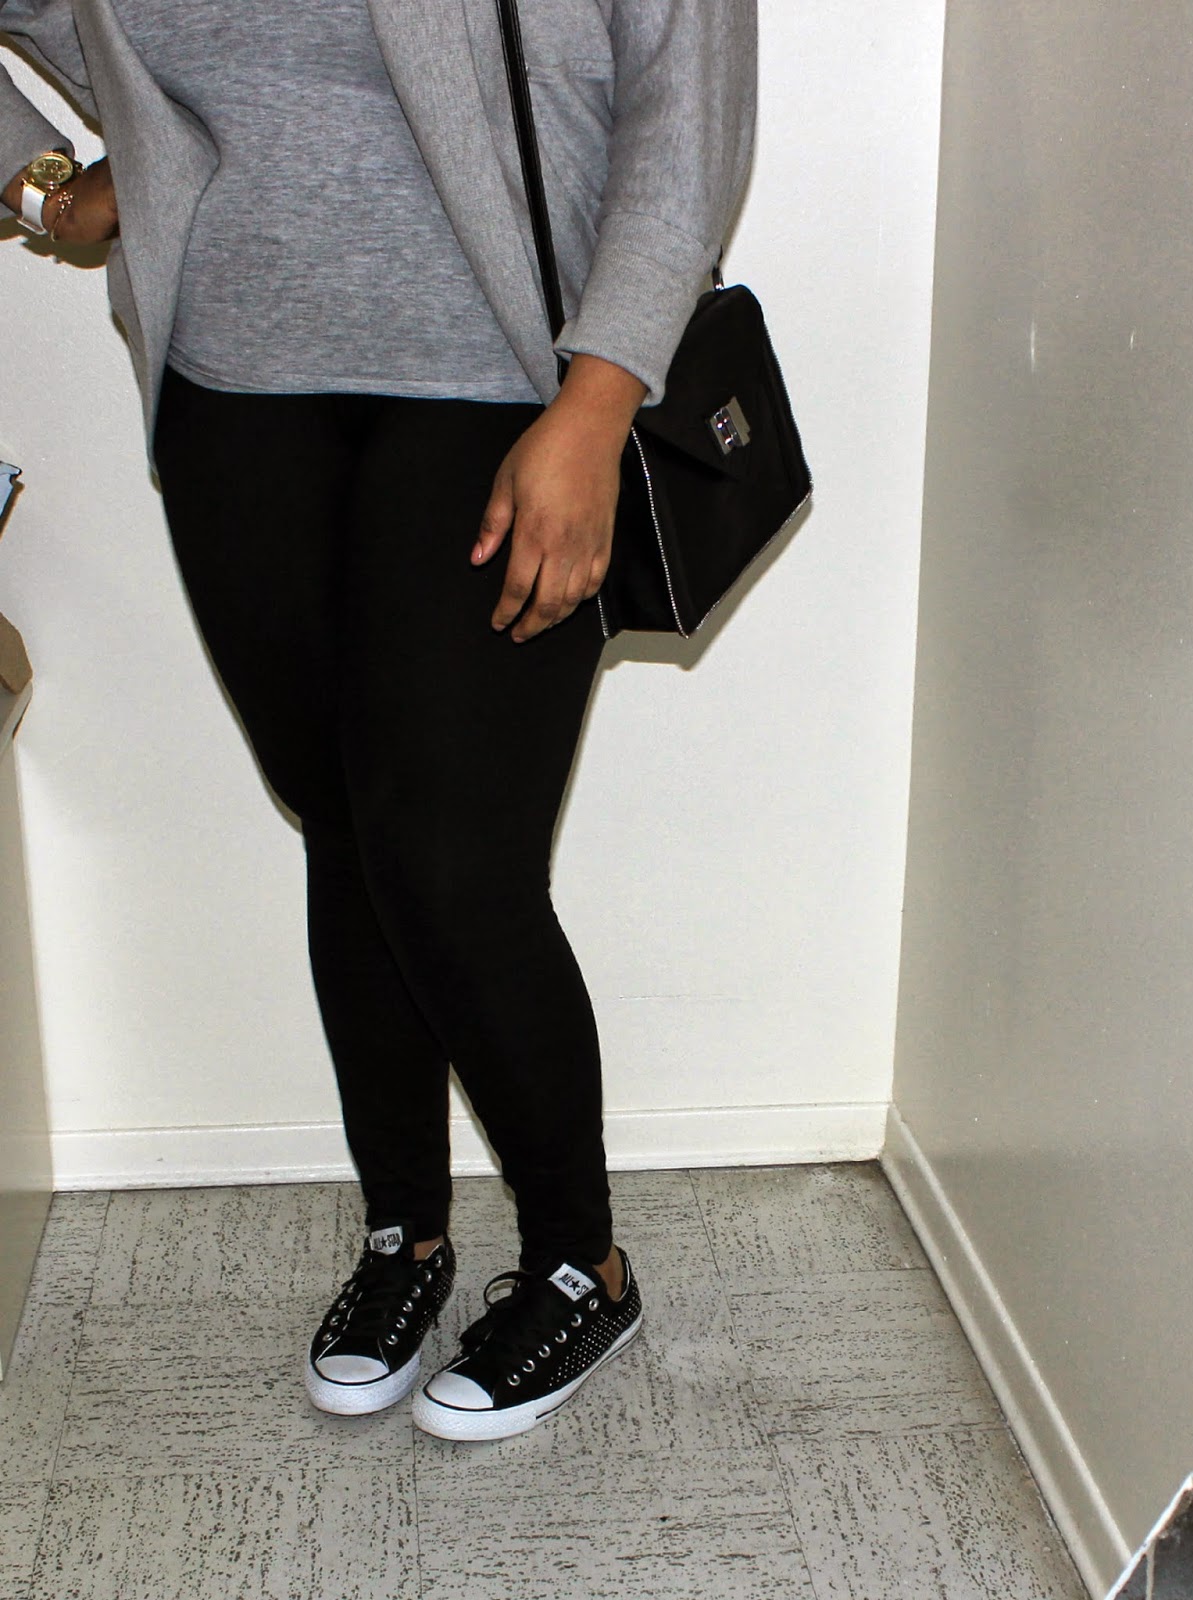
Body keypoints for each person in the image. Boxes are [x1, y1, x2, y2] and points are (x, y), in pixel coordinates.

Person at [0, 0, 756, 1441]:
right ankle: (403, 1232)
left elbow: (686, 106)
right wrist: (43, 184)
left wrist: (599, 405)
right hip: (232, 384)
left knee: (450, 862)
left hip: (512, 383)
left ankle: (581, 1262)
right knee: (345, 821)